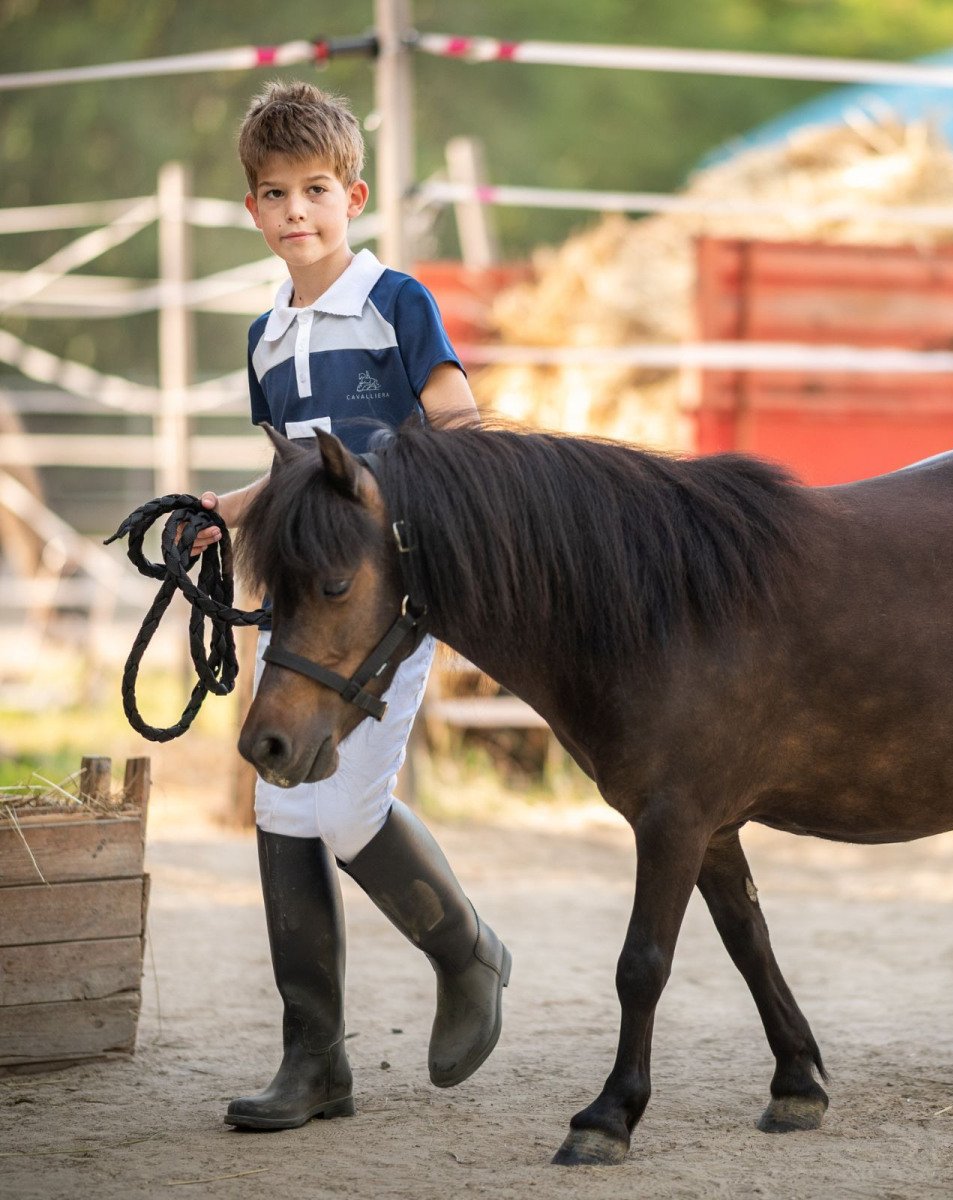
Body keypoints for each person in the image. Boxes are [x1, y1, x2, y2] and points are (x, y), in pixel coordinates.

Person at [191, 80, 511, 1131]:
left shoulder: (394, 302)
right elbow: (290, 475)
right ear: (253, 210)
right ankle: (313, 1059)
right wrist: (220, 511)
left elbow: (457, 425)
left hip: (386, 595)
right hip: (303, 595)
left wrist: (387, 483)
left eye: (316, 190)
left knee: (347, 804)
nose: (296, 211)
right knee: (282, 795)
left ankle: (464, 950)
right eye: (275, 193)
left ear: (353, 194)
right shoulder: (265, 339)